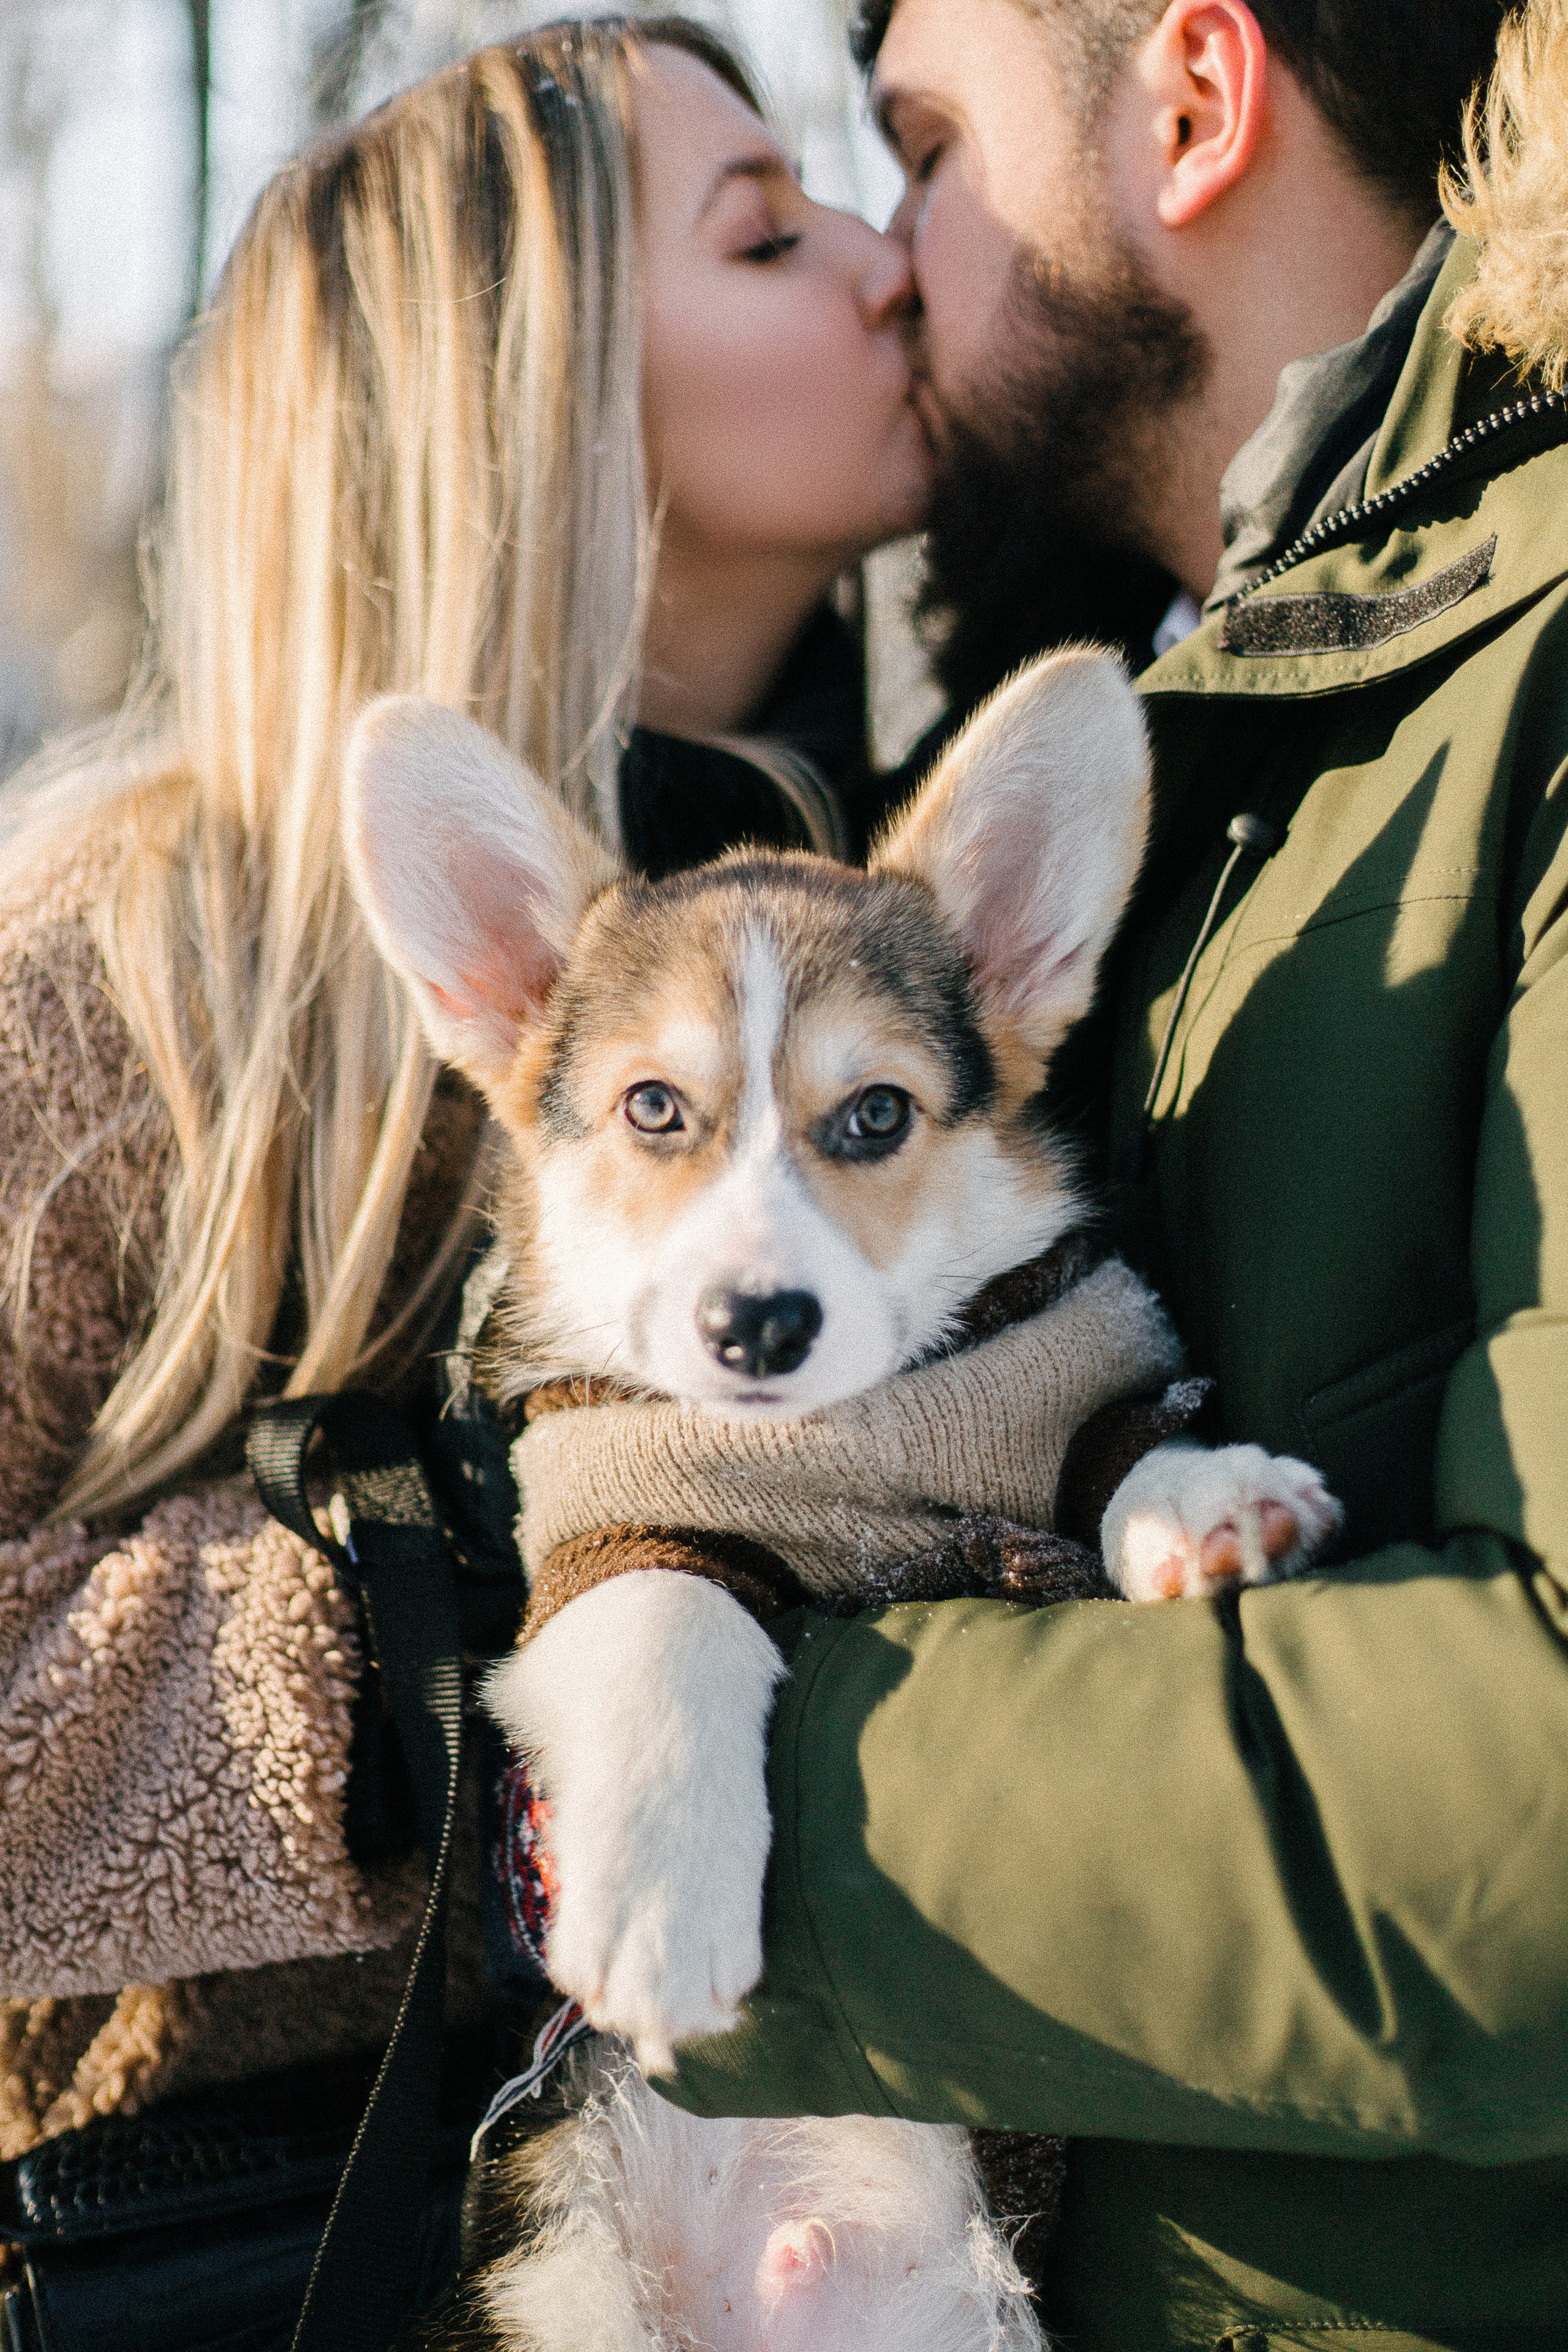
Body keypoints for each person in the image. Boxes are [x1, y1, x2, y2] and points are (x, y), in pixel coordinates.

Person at [0, 13, 927, 2337]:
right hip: (256, 2257)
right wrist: (456, 1605)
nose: (889, 267)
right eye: (771, 231)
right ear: (537, 392)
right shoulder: (125, 981)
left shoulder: (920, 927)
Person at [656, 2, 1568, 2348]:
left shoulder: (1522, 690)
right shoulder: (1081, 733)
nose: (890, 255)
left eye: (927, 149)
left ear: (1191, 102)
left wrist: (661, 1787)